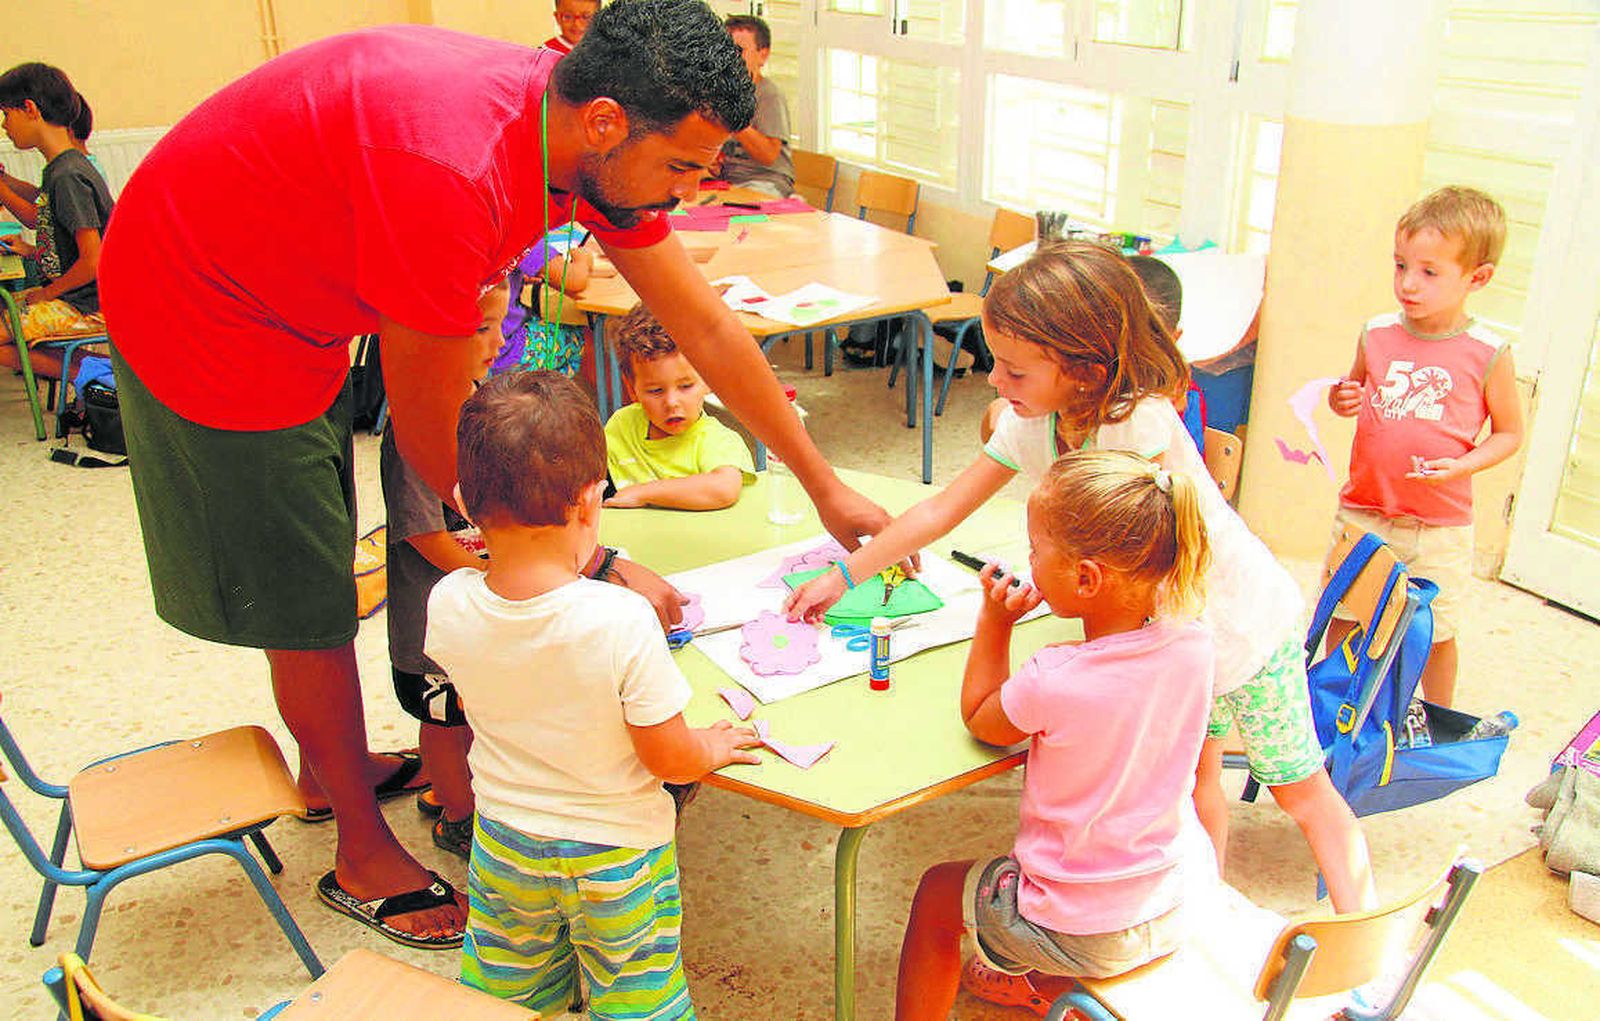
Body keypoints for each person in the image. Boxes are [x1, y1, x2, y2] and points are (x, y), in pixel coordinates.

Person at [98, 0, 888, 948]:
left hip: (289, 279)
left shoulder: (581, 135)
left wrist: (821, 481)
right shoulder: (451, 178)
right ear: (605, 121)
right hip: (203, 300)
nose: (688, 191)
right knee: (302, 592)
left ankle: (325, 766)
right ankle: (357, 845)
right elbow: (442, 453)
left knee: (319, 536)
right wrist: (596, 565)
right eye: (680, 165)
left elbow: (706, 324)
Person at [787, 241, 1378, 914]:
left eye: (1013, 370)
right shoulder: (1030, 421)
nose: (994, 383)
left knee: (1300, 789)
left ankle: (1362, 938)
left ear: (1084, 369)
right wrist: (847, 572)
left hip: (1238, 627)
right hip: (1172, 642)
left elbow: (1158, 558)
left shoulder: (1138, 424)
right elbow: (940, 508)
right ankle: (1199, 919)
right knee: (1193, 784)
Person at [425, 370, 761, 1014]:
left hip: (504, 843)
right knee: (638, 1001)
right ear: (589, 501)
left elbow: (477, 705)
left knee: (509, 995)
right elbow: (669, 758)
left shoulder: (447, 601)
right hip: (617, 855)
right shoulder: (620, 618)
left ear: (465, 501)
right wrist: (711, 746)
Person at [894, 450, 1216, 1018]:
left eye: (1037, 552)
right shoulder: (1194, 645)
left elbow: (983, 721)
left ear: (1087, 578)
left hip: (1084, 927)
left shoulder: (1056, 677)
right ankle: (1034, 981)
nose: (1030, 563)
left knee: (937, 895)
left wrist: (994, 622)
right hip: (1174, 900)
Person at [1326, 187, 1523, 712]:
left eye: (1429, 272)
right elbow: (1352, 392)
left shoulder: (1488, 351)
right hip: (1364, 509)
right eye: (1400, 266)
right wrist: (1341, 398)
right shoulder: (1376, 333)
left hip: (1439, 525)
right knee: (1345, 614)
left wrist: (1461, 465)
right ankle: (1333, 705)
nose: (1408, 284)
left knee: (1435, 630)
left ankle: (1438, 716)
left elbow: (1509, 433)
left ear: (1477, 278)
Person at [378, 281, 513, 861]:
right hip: (433, 633)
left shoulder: (477, 402)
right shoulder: (418, 425)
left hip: (476, 613)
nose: (498, 341)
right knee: (445, 722)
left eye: (498, 326)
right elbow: (425, 535)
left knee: (474, 717)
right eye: (481, 329)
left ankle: (451, 788)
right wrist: (496, 579)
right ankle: (459, 814)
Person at [603, 302, 756, 510]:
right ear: (631, 388)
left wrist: (644, 493)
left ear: (709, 377)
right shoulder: (622, 425)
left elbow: (723, 489)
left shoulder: (718, 440)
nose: (671, 402)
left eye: (685, 386)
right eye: (655, 391)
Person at [0, 65, 113, 344]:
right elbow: (53, 226)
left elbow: (93, 260)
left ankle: (92, 378)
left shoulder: (68, 176)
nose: (4, 125)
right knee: (8, 313)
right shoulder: (59, 169)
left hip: (89, 307)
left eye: (6, 114)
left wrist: (47, 294)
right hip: (76, 298)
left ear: (29, 109)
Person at [715, 15, 794, 198]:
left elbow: (768, 155)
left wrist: (733, 116)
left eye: (739, 51)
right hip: (727, 181)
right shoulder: (719, 89)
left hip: (765, 182)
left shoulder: (769, 95)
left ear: (763, 54)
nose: (731, 58)